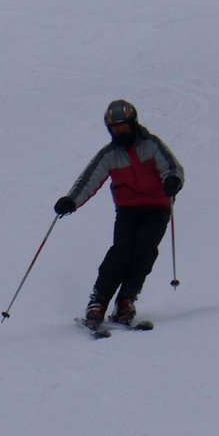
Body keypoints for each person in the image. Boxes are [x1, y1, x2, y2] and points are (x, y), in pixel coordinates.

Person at [53, 99, 184, 329]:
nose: (120, 133)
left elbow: (172, 167)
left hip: (157, 207)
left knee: (144, 249)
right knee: (121, 252)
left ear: (133, 124)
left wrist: (172, 180)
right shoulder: (109, 155)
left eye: (123, 128)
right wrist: (71, 201)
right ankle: (98, 301)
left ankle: (127, 299)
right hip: (128, 209)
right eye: (115, 129)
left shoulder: (151, 145)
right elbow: (89, 179)